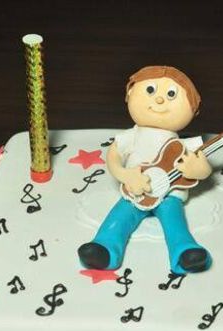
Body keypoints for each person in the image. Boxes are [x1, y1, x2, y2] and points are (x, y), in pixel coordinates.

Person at [78, 65, 213, 274]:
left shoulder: (182, 145)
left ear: (193, 109)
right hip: (135, 190)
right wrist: (125, 175)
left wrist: (197, 169)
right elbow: (113, 158)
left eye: (171, 94)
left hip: (169, 194)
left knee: (174, 222)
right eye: (151, 90)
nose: (159, 100)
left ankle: (184, 252)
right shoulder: (131, 136)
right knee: (119, 217)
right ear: (130, 93)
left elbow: (203, 170)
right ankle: (105, 249)